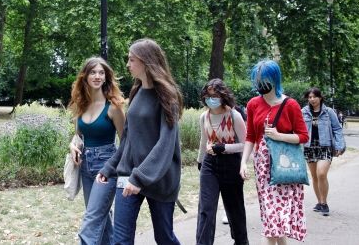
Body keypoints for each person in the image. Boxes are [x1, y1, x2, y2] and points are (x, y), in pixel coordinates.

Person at [97, 38, 183, 245]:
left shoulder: (167, 97)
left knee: (164, 238)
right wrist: (109, 167)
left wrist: (140, 177)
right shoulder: (135, 92)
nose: (127, 64)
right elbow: (127, 138)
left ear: (146, 62)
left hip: (160, 178)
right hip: (129, 174)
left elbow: (165, 144)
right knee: (121, 240)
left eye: (132, 60)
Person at [239, 60, 309, 244]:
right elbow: (250, 136)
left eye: (264, 79)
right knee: (271, 219)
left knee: (276, 221)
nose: (260, 83)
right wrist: (243, 162)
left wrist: (279, 136)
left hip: (285, 168)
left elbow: (303, 136)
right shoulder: (253, 104)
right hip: (263, 168)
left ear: (275, 79)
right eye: (258, 79)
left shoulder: (290, 105)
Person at [68, 57, 125, 245]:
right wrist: (72, 146)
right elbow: (78, 136)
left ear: (106, 77)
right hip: (85, 166)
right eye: (93, 72)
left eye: (101, 73)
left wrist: (113, 167)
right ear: (85, 76)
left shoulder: (114, 108)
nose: (97, 76)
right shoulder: (80, 105)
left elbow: (126, 142)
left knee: (92, 219)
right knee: (102, 218)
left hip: (107, 167)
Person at [196, 78, 249, 245]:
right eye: (208, 95)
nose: (211, 99)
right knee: (206, 209)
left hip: (231, 164)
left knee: (234, 209)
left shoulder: (234, 115)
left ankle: (241, 241)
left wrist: (224, 147)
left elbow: (245, 144)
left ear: (223, 96)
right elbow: (204, 141)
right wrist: (200, 161)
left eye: (215, 95)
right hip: (210, 164)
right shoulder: (204, 116)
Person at [302, 87, 346, 216]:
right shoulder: (303, 112)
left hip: (325, 146)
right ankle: (319, 202)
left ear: (320, 97)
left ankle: (324, 203)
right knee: (315, 177)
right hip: (309, 147)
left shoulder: (329, 112)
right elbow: (298, 128)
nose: (312, 99)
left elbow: (337, 129)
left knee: (321, 174)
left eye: (314, 96)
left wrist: (339, 145)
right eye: (309, 97)